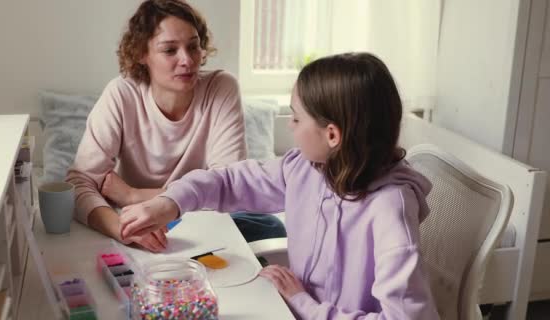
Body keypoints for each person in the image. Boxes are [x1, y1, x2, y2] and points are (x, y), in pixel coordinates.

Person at [118, 53, 441, 319]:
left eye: (297, 119)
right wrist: (170, 202)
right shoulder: (306, 168)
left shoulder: (389, 210)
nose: (290, 126)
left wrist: (304, 304)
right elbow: (231, 180)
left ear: (332, 135)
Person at [66, 0, 285, 253]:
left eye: (193, 46)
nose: (187, 60)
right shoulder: (121, 95)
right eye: (170, 50)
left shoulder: (221, 88)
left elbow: (229, 187)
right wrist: (122, 229)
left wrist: (133, 195)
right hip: (139, 222)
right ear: (141, 54)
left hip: (202, 221)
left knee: (271, 228)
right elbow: (79, 183)